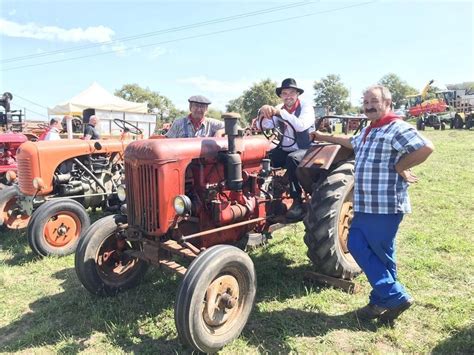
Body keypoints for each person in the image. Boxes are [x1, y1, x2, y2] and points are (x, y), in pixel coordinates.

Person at [311, 85, 434, 322]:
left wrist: (400, 167)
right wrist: (322, 136)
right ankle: (381, 301)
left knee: (366, 248)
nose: (368, 105)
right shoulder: (371, 130)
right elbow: (350, 141)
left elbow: (426, 147)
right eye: (366, 100)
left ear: (388, 103)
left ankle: (393, 296)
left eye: (374, 101)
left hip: (385, 205)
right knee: (372, 251)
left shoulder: (396, 127)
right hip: (365, 203)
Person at [257, 78, 315, 220]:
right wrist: (263, 113)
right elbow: (264, 126)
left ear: (297, 94)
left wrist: (279, 113)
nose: (288, 96)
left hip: (306, 148)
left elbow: (301, 125)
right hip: (285, 147)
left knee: (292, 159)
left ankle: (297, 202)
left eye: (291, 93)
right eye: (285, 93)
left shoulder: (306, 107)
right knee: (265, 158)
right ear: (281, 95)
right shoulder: (279, 108)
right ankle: (264, 192)